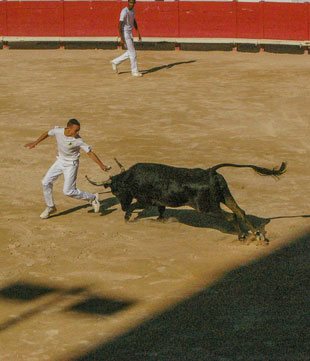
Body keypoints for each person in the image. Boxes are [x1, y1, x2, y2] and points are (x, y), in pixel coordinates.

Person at [24, 119, 111, 219]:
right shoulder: (58, 131)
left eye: (79, 130)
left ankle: (93, 198)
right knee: (45, 182)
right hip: (60, 161)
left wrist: (101, 165)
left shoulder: (78, 140)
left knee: (68, 191)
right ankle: (50, 207)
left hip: (71, 165)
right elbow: (47, 133)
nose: (78, 133)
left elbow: (89, 152)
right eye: (76, 130)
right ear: (68, 128)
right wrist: (35, 142)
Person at [111, 0, 142, 77]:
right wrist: (122, 38)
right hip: (125, 34)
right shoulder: (124, 11)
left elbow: (134, 21)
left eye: (133, 2)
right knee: (133, 53)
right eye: (130, 2)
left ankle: (115, 62)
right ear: (128, 2)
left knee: (130, 52)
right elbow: (119, 25)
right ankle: (134, 71)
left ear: (134, 3)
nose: (131, 4)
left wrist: (138, 32)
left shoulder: (133, 10)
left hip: (130, 33)